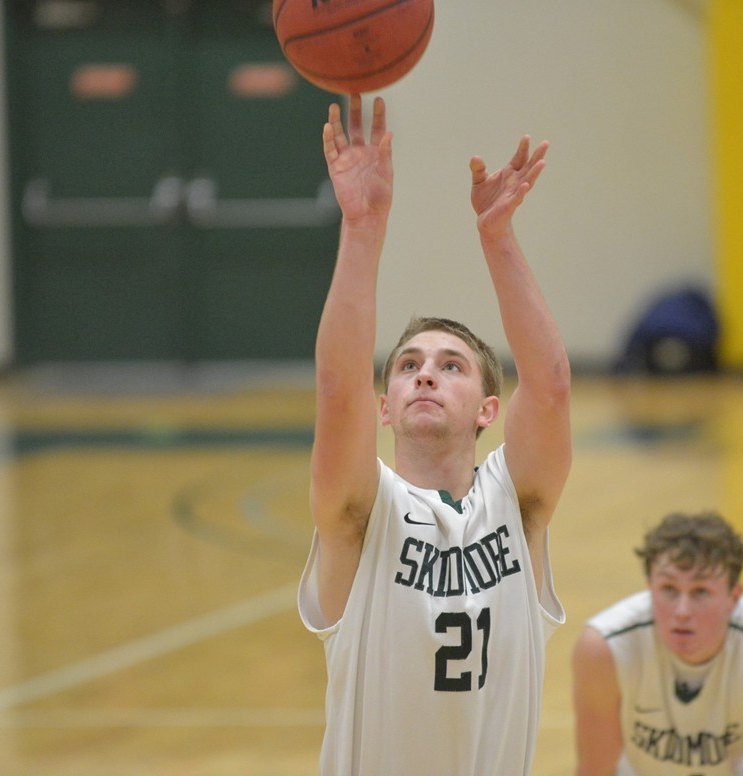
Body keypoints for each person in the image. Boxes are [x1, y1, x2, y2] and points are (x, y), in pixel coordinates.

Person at [297, 94, 572, 776]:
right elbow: (336, 392)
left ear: (487, 409)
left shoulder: (517, 503)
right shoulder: (362, 517)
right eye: (408, 367)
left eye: (451, 367)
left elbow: (553, 386)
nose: (425, 375)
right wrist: (362, 229)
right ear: (383, 409)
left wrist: (498, 237)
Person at [572, 512, 743, 775]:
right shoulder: (605, 649)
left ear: (734, 597)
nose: (682, 611)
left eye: (701, 592)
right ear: (649, 587)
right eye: (669, 589)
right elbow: (595, 769)